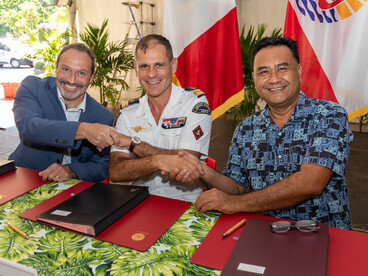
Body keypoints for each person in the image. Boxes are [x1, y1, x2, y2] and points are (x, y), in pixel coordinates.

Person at [171, 36, 353, 229]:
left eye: (282, 69)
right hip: (264, 233)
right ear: (255, 78)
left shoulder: (329, 116)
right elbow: (236, 186)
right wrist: (201, 170)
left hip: (324, 234)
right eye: (264, 71)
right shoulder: (246, 128)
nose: (274, 79)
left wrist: (235, 204)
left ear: (299, 71)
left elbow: (311, 182)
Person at [109, 34, 212, 202]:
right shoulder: (128, 113)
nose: (151, 74)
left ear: (173, 65)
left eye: (159, 65)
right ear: (136, 69)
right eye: (144, 66)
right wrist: (156, 161)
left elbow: (187, 161)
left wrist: (133, 143)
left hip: (186, 202)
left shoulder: (194, 104)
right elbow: (116, 171)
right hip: (139, 201)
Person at [9, 43, 118, 183]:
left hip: (73, 193)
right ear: (56, 67)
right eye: (66, 69)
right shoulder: (33, 88)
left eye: (81, 73)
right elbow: (29, 127)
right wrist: (84, 130)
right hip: (24, 179)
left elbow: (101, 165)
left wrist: (71, 170)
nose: (71, 80)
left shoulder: (103, 116)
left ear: (91, 76)